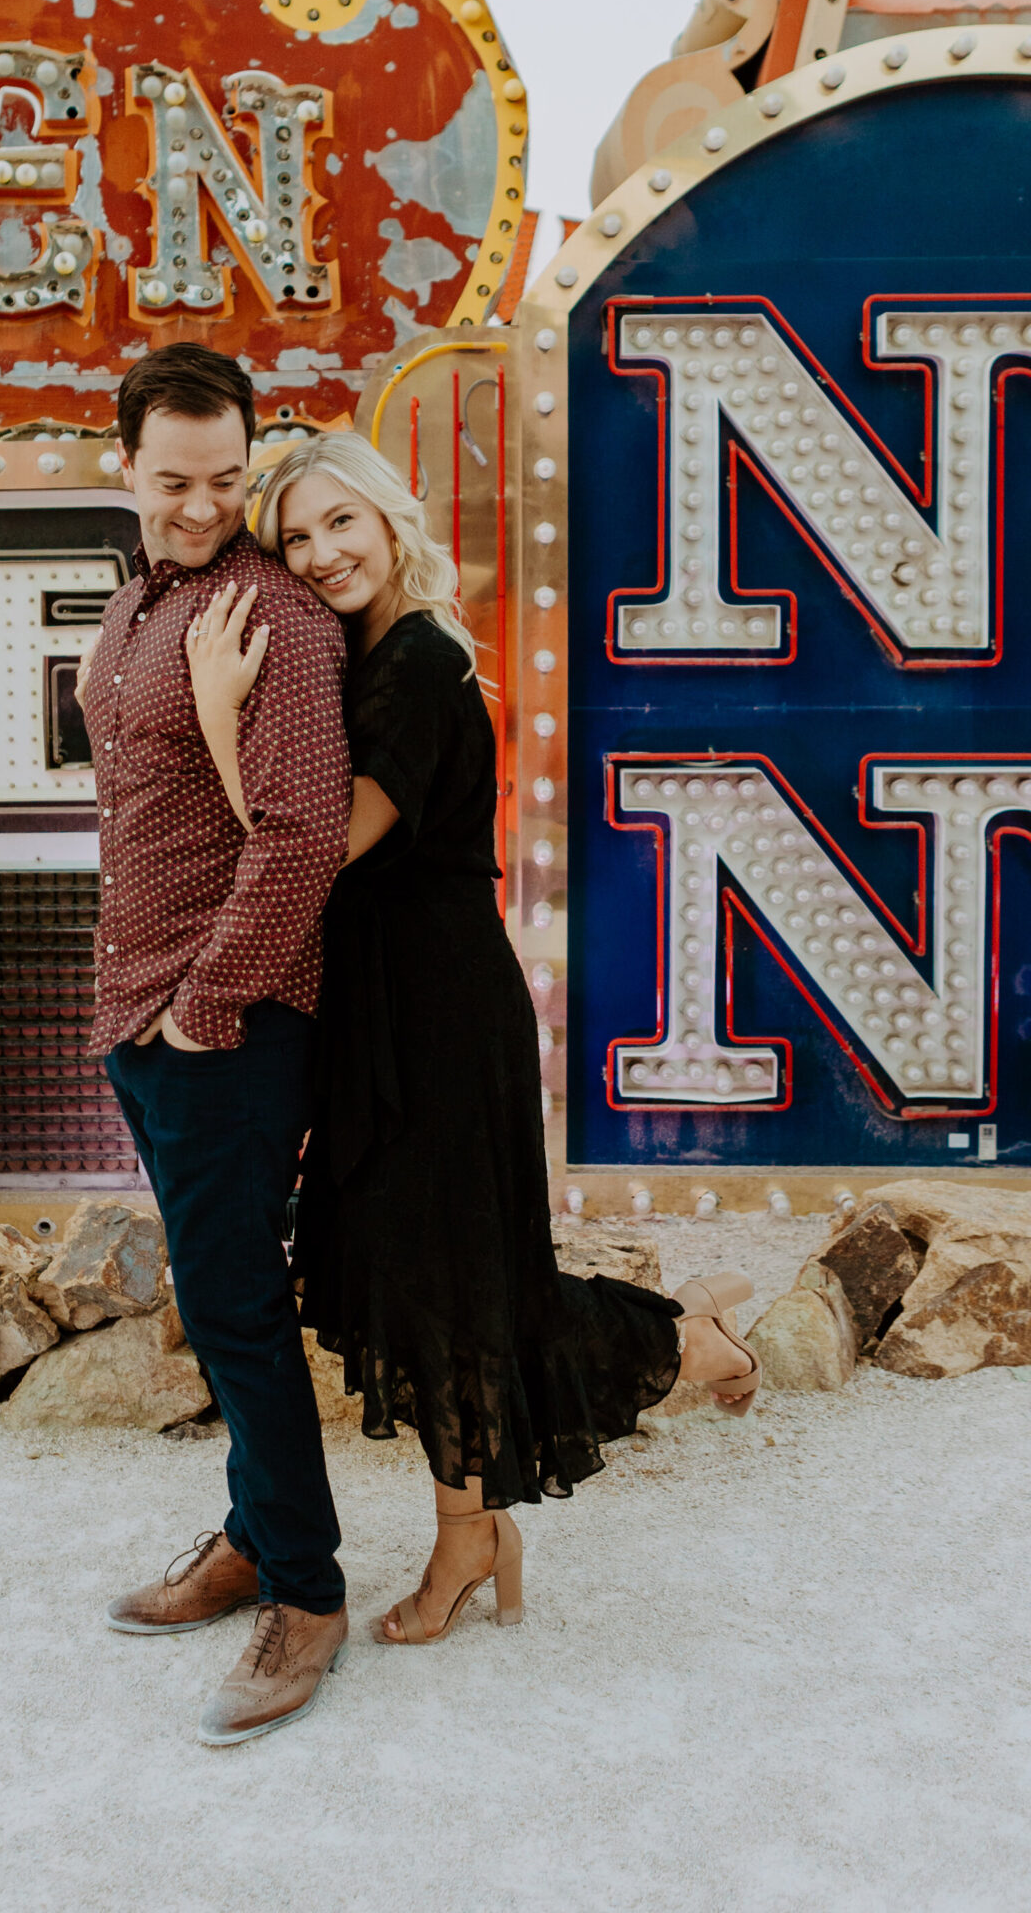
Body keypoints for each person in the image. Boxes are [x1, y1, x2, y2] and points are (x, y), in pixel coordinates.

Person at [185, 428, 761, 1647]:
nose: (323, 550)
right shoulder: (371, 654)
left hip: (436, 1011)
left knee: (449, 1281)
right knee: (431, 1273)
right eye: (297, 535)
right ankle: (675, 1340)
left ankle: (495, 1512)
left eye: (344, 521)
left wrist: (217, 711)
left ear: (393, 519)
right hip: (385, 1003)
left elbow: (312, 846)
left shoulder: (420, 663)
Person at [83, 342, 353, 1746]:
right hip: (142, 1009)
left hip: (224, 1022)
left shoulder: (273, 617)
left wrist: (203, 1006)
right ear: (122, 464)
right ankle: (253, 1533)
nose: (200, 505)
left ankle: (303, 1594)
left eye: (224, 479)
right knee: (217, 1292)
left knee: (238, 1304)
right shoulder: (140, 601)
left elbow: (304, 833)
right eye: (173, 479)